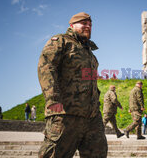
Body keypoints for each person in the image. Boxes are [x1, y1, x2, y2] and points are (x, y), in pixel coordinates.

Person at [38, 12, 107, 158]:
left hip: (92, 118)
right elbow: (46, 67)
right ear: (72, 25)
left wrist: (96, 106)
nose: (88, 26)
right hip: (65, 115)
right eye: (83, 23)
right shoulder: (61, 41)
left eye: (90, 24)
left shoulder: (90, 53)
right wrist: (53, 100)